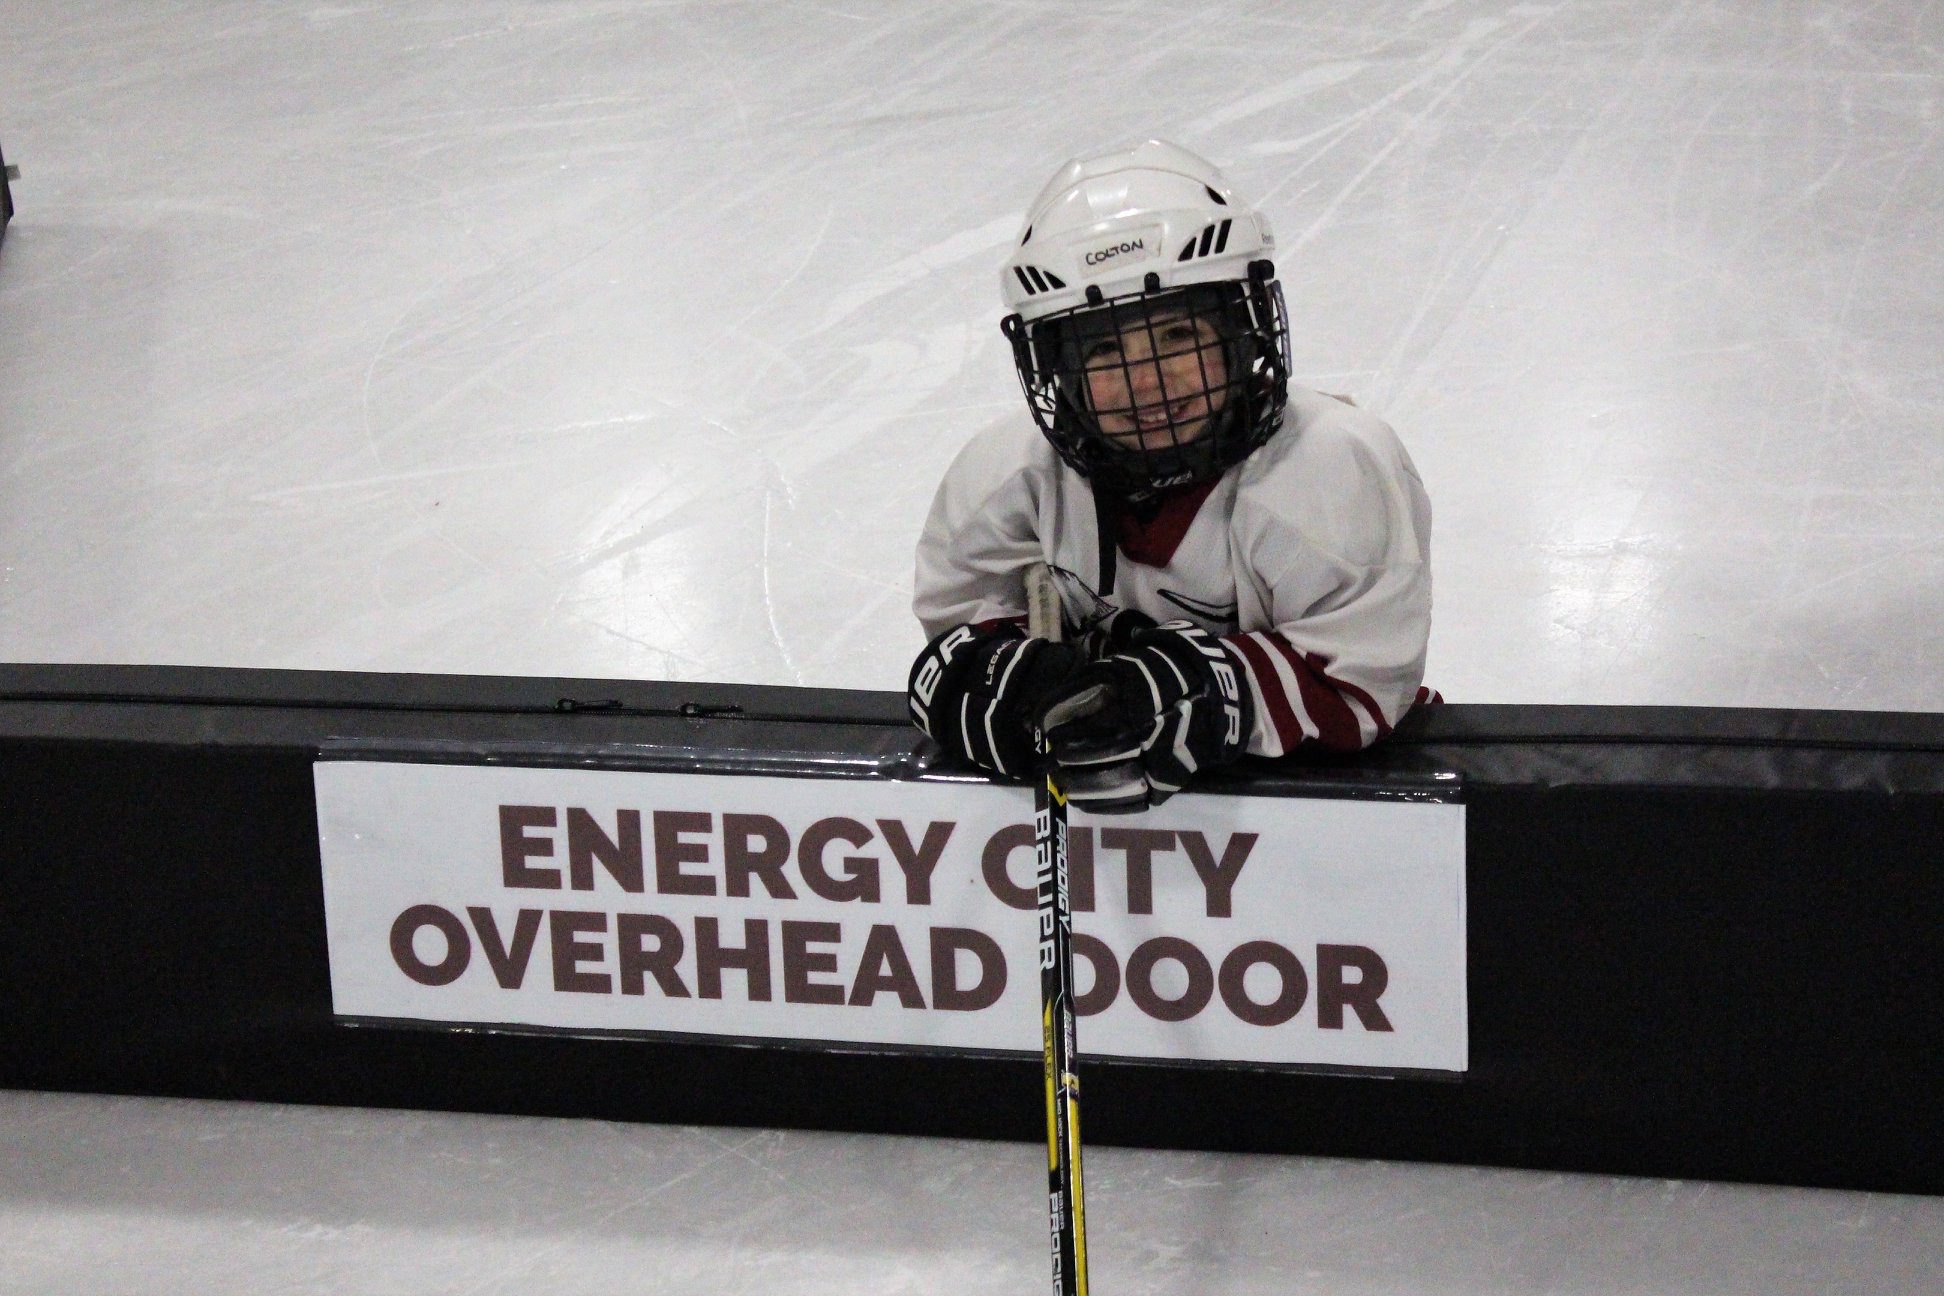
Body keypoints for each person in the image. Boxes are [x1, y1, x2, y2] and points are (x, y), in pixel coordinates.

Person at [907, 140, 1434, 814]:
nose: (1149, 382)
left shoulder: (1332, 469)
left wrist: (1204, 692)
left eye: (1178, 336)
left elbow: (1361, 687)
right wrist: (994, 681)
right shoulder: (1008, 479)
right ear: (1057, 375)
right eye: (1103, 351)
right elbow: (971, 633)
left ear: (1241, 335)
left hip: (1319, 825)